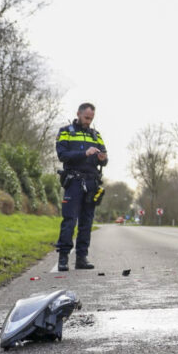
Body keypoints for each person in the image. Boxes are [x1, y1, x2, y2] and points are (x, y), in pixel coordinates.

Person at [55, 103, 108, 271]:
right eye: (86, 118)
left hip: (92, 183)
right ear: (78, 113)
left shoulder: (96, 135)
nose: (88, 121)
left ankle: (81, 258)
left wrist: (102, 158)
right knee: (69, 220)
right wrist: (84, 153)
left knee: (86, 222)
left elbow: (105, 160)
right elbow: (62, 155)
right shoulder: (65, 132)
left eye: (91, 119)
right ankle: (63, 258)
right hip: (74, 182)